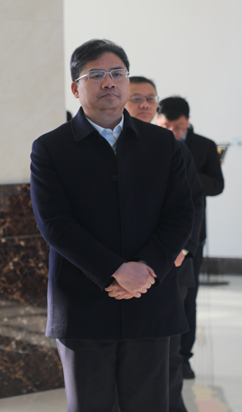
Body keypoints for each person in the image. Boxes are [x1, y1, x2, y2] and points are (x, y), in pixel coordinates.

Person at [30, 39, 194, 411]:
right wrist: (116, 271)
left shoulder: (162, 143)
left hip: (150, 301)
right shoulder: (51, 147)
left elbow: (180, 214)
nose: (109, 82)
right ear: (76, 88)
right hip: (83, 306)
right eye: (96, 75)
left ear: (127, 82)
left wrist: (146, 268)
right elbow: (55, 224)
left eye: (118, 73)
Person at [126, 77, 205, 412]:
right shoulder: (106, 147)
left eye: (150, 98)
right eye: (137, 98)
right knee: (128, 354)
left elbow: (192, 202)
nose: (145, 104)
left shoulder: (173, 146)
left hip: (172, 265)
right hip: (122, 271)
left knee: (168, 351)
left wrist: (181, 250)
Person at [156, 96, 225, 380]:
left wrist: (185, 171)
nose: (174, 132)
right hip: (159, 238)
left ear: (188, 122)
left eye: (180, 127)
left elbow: (216, 185)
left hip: (192, 238)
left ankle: (184, 357)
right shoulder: (150, 143)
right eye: (167, 126)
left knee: (187, 299)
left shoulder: (204, 146)